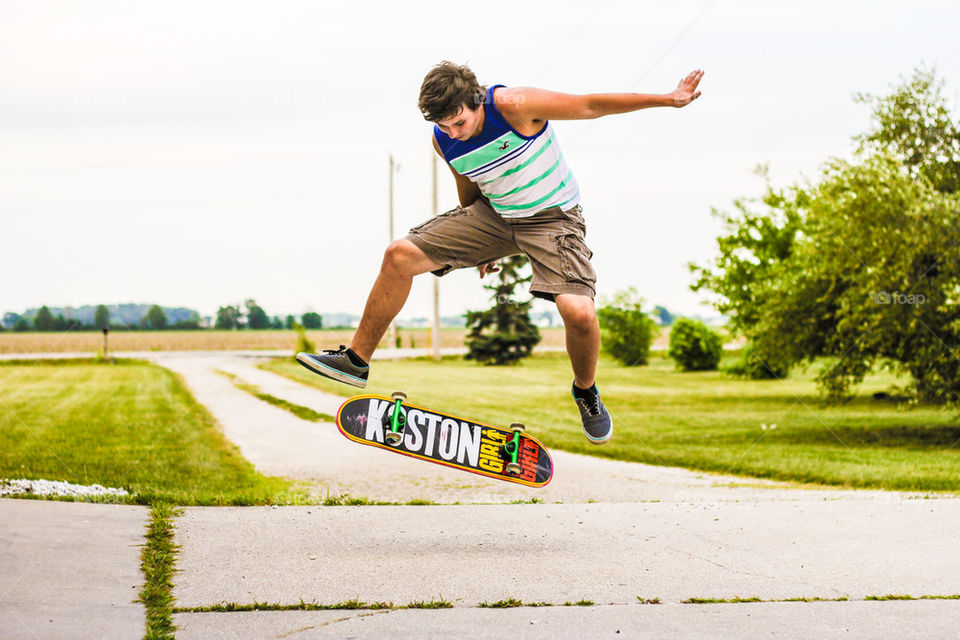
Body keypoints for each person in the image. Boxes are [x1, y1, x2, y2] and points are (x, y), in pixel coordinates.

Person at [298, 61, 704, 445]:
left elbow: (589, 105)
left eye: (459, 122)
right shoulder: (444, 140)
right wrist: (476, 247)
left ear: (476, 101)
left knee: (578, 313)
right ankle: (356, 361)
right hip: (493, 217)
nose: (454, 133)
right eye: (444, 126)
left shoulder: (513, 105)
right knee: (398, 255)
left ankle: (586, 391)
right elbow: (470, 185)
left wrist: (668, 98)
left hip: (553, 219)